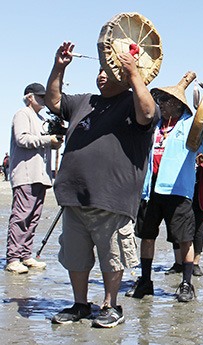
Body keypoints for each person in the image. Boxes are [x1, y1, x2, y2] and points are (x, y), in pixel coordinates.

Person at [47, 41, 159, 327]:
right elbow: (54, 101)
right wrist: (59, 67)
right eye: (99, 70)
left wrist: (135, 75)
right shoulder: (84, 101)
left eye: (108, 70)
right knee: (76, 257)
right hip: (74, 197)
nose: (101, 75)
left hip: (112, 199)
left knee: (112, 256)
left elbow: (147, 114)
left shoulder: (133, 101)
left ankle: (111, 305)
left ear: (122, 74)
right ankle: (80, 304)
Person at [126, 72, 203, 303]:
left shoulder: (189, 124)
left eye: (165, 101)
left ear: (177, 104)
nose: (161, 104)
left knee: (184, 239)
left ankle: (186, 284)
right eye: (160, 100)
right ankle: (145, 281)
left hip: (177, 191)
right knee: (146, 236)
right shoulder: (153, 124)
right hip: (151, 190)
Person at [5, 83, 63, 274]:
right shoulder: (23, 114)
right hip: (25, 174)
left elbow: (47, 145)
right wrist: (48, 140)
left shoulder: (41, 118)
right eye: (39, 97)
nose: (43, 100)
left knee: (34, 217)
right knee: (21, 216)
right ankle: (13, 257)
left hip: (41, 175)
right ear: (29, 97)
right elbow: (22, 139)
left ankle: (25, 254)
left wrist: (56, 140)